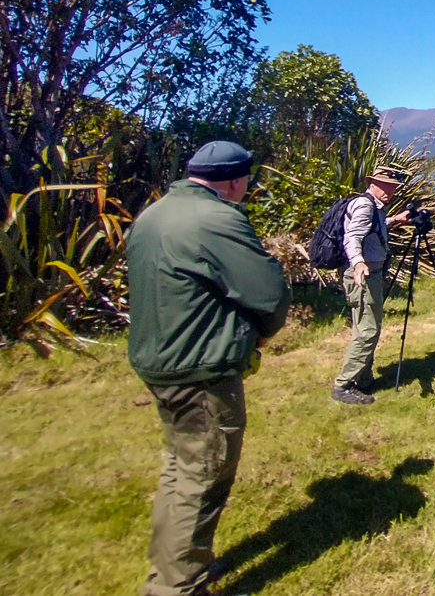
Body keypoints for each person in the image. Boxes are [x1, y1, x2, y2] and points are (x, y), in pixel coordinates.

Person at [127, 141, 291, 596]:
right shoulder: (218, 218)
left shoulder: (154, 214)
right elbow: (268, 291)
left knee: (180, 466)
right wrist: (260, 334)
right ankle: (178, 586)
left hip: (157, 358)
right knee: (204, 474)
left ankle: (169, 568)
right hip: (199, 365)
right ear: (238, 181)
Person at [332, 166, 412, 405]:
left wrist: (394, 220)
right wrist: (358, 263)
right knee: (367, 330)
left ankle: (364, 378)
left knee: (368, 325)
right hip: (363, 275)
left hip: (371, 273)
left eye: (394, 186)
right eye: (386, 185)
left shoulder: (374, 206)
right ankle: (343, 384)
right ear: (372, 183)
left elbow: (372, 228)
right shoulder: (366, 205)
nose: (391, 190)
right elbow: (353, 236)